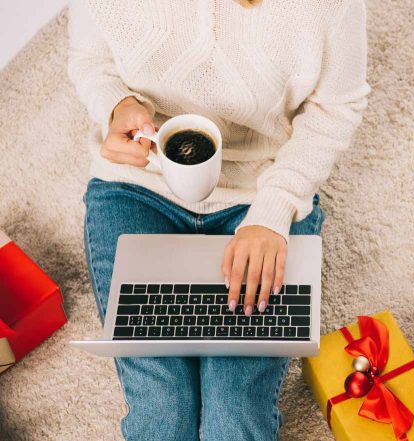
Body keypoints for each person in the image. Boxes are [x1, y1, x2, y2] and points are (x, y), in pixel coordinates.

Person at [67, 0, 369, 439]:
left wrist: (274, 210)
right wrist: (118, 106)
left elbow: (337, 107)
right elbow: (90, 59)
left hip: (262, 189)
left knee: (235, 411)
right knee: (162, 407)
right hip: (138, 185)